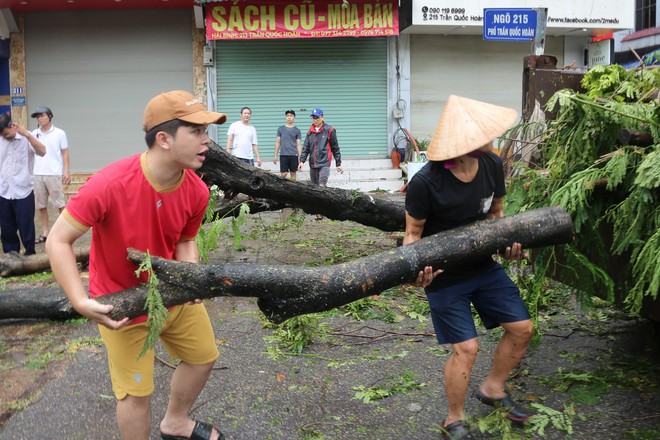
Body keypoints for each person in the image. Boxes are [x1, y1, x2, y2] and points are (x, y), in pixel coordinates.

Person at [45, 91, 227, 440]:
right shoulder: (109, 184)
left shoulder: (197, 191)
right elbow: (57, 240)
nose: (207, 141)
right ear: (164, 139)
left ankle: (175, 423)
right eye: (197, 132)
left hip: (172, 292)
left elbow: (185, 240)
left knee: (203, 356)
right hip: (121, 303)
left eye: (206, 131)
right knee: (136, 394)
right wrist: (82, 301)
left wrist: (190, 277)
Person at [403, 95, 533, 440]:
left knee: (522, 328)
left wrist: (508, 244)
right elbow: (413, 234)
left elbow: (496, 214)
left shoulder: (490, 165)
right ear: (465, 144)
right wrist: (415, 274)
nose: (492, 142)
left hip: (484, 266)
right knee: (467, 348)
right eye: (484, 137)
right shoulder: (425, 183)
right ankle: (453, 418)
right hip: (444, 277)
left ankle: (493, 388)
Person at [0, 112, 47, 256]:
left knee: (26, 224)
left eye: (7, 134)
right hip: (4, 190)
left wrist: (27, 134)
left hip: (23, 190)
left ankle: (30, 254)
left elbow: (43, 151)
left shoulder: (27, 139)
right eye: (3, 136)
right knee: (7, 226)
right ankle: (11, 254)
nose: (5, 138)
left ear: (13, 126)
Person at [31, 105, 70, 243]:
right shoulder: (34, 133)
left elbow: (65, 152)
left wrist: (66, 171)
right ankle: (46, 232)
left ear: (49, 116)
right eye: (37, 116)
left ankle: (63, 232)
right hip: (38, 173)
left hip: (54, 173)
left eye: (42, 115)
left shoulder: (59, 133)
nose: (39, 118)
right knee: (41, 206)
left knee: (59, 204)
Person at [298, 108, 343, 219]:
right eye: (313, 118)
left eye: (317, 117)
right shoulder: (310, 132)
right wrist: (301, 161)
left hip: (324, 163)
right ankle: (319, 210)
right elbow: (305, 148)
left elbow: (335, 147)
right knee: (314, 189)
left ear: (322, 117)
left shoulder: (330, 130)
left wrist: (338, 163)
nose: (315, 120)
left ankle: (321, 212)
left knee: (321, 186)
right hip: (313, 164)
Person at [273, 109, 302, 180]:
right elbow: (278, 142)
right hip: (283, 155)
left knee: (293, 173)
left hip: (293, 155)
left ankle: (293, 190)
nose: (289, 117)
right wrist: (275, 155)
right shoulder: (280, 129)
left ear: (294, 117)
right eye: (287, 116)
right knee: (284, 174)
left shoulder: (297, 130)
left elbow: (298, 145)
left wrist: (300, 157)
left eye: (291, 116)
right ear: (285, 117)